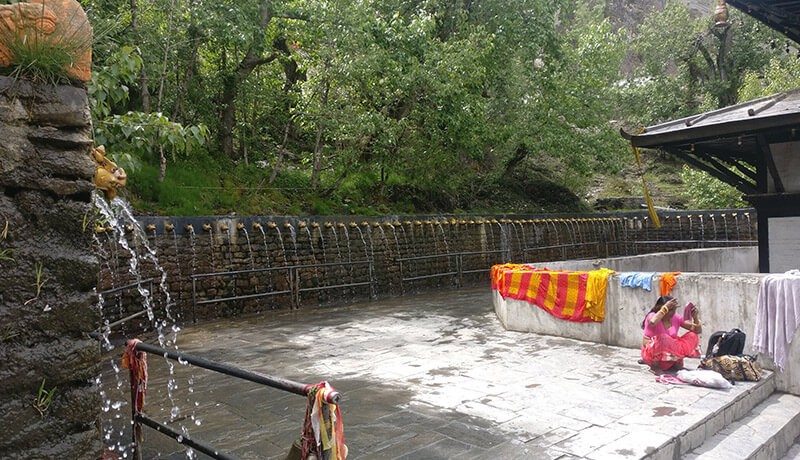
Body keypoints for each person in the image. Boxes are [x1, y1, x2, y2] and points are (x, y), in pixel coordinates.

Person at [640, 295, 703, 372]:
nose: (672, 313)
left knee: (692, 335)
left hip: (669, 356)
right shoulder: (652, 315)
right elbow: (652, 322)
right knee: (663, 338)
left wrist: (695, 318)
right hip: (651, 354)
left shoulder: (675, 317)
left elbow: (697, 330)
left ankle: (675, 364)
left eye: (674, 310)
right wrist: (665, 309)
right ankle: (655, 367)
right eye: (670, 310)